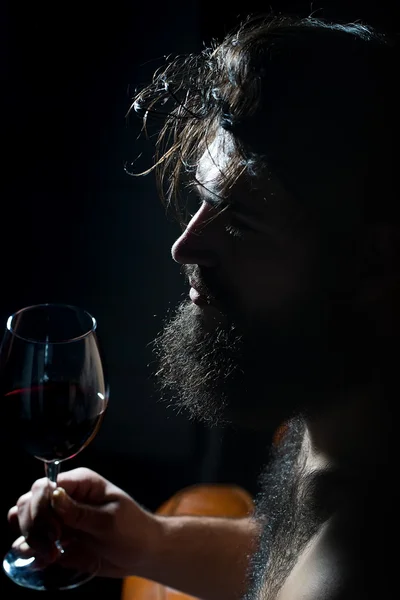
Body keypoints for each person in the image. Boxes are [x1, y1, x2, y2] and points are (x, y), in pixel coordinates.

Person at [6, 13, 399, 600]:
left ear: (371, 262)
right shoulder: (343, 410)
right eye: (203, 197)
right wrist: (147, 541)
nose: (184, 245)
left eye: (239, 221)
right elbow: (284, 558)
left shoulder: (363, 559)